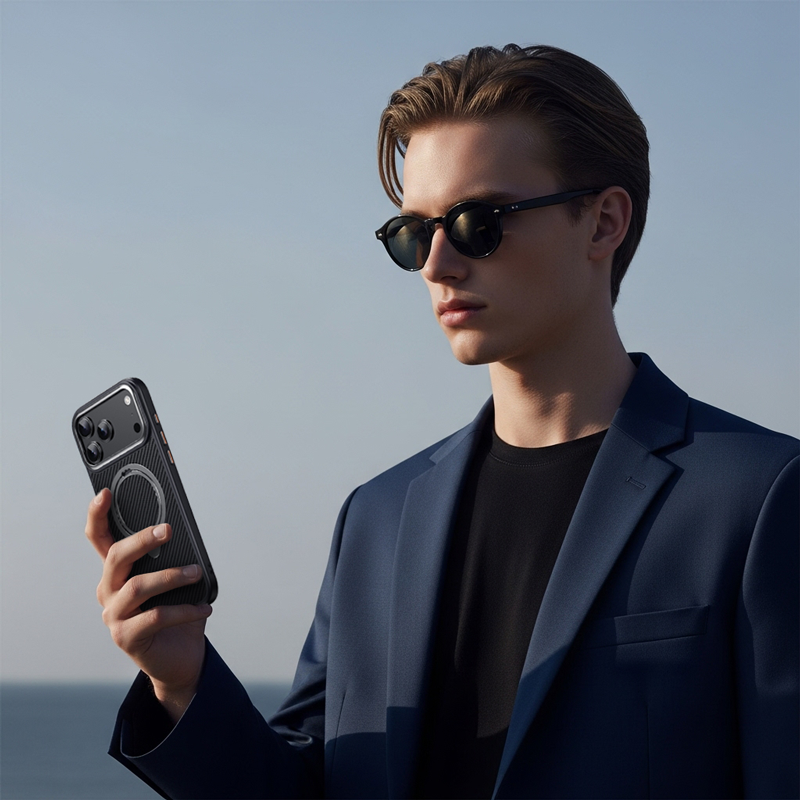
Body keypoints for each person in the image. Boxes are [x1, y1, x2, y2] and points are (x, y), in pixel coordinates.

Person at [85, 44, 799, 799]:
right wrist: (181, 680)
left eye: (477, 222)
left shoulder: (759, 499)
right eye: (412, 232)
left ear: (603, 223)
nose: (436, 264)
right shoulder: (377, 520)